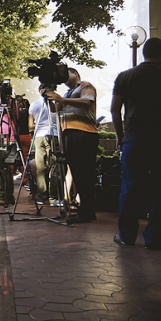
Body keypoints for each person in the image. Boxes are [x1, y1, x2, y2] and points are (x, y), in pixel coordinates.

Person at [110, 37, 161, 250]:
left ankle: (126, 235)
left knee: (130, 188)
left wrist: (120, 136)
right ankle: (153, 238)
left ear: (143, 52)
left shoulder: (125, 77)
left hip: (133, 141)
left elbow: (115, 109)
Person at [46, 68, 99, 224]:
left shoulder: (85, 86)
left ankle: (87, 211)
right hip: (70, 134)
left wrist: (62, 100)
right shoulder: (68, 93)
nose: (63, 76)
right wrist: (49, 98)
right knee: (77, 173)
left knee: (85, 173)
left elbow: (87, 102)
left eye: (67, 73)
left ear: (76, 74)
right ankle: (86, 210)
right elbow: (55, 109)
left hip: (84, 133)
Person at [28, 84, 60, 205]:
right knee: (54, 167)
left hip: (38, 136)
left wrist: (39, 125)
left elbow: (30, 125)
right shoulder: (57, 102)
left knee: (40, 168)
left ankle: (41, 196)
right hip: (53, 134)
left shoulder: (34, 104)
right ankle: (53, 197)